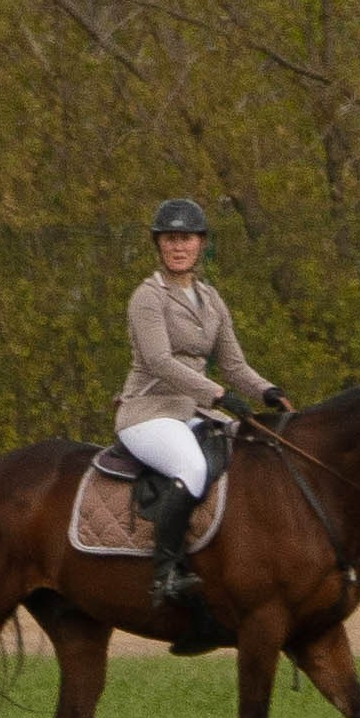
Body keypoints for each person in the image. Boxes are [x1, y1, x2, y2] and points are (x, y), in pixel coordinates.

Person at [114, 198, 292, 605]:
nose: (179, 247)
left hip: (193, 412)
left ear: (201, 244)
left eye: (187, 239)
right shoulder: (147, 297)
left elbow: (233, 365)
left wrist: (268, 391)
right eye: (170, 239)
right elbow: (159, 362)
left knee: (249, 454)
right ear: (159, 245)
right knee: (191, 467)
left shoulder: (211, 299)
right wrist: (216, 394)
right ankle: (165, 573)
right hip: (149, 410)